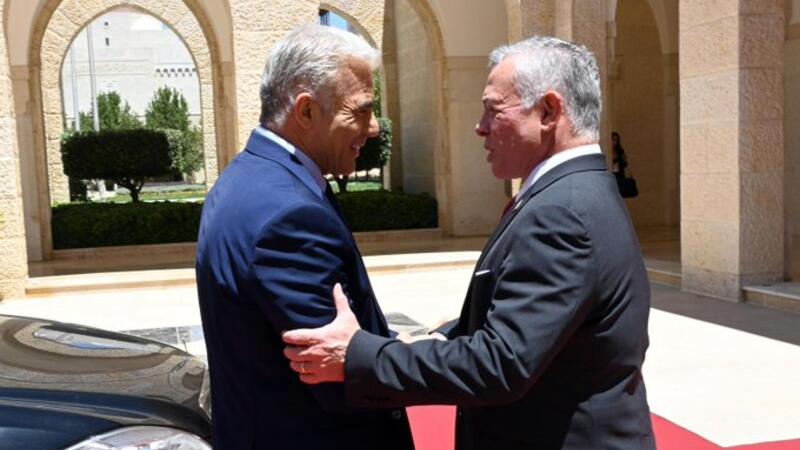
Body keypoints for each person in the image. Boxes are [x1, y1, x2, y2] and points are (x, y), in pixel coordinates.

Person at [283, 36, 655, 450]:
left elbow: (501, 364)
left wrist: (358, 356)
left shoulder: (560, 212)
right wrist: (445, 336)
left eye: (493, 110)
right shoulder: (576, 190)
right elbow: (540, 322)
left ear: (549, 111)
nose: (479, 126)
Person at [195, 24, 414, 450]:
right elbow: (339, 377)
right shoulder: (288, 215)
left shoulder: (248, 177)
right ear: (307, 111)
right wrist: (440, 361)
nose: (373, 128)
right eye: (362, 110)